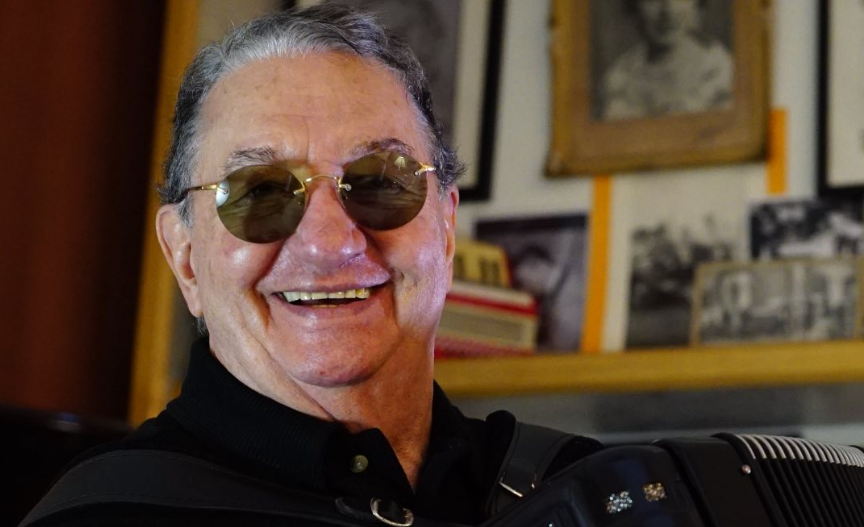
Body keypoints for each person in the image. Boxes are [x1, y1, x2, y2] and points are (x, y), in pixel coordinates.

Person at [23, 5, 601, 526]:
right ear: (186, 258)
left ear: (446, 230)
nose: (328, 243)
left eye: (380, 181)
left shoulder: (589, 495)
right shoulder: (106, 515)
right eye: (260, 191)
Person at [601, 0, 733, 120]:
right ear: (634, 7)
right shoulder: (618, 81)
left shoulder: (721, 73)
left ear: (697, 4)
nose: (668, 11)